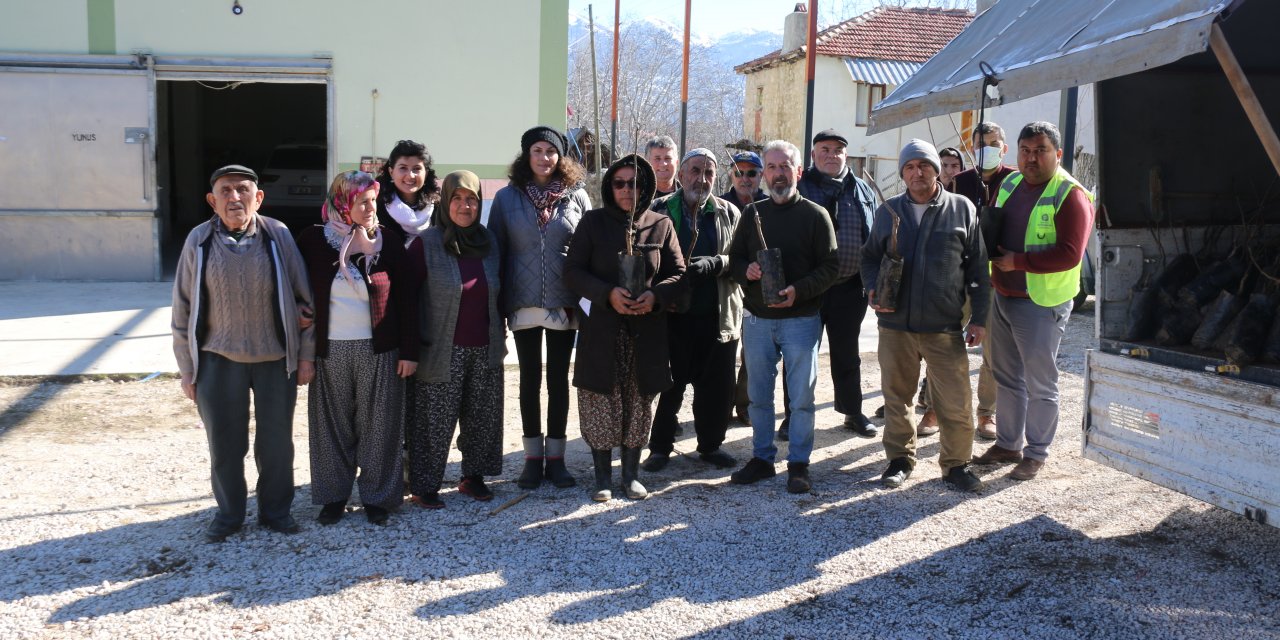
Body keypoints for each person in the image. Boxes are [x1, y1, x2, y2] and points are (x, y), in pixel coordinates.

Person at [172, 164, 315, 542]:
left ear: (259, 197)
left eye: (243, 189)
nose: (235, 197)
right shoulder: (199, 241)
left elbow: (306, 301)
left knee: (276, 444)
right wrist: (187, 369)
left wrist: (305, 356)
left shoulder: (277, 235)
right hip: (218, 360)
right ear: (212, 200)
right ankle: (229, 515)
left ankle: (276, 512)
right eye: (226, 191)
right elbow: (182, 309)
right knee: (224, 444)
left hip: (274, 359)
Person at [862, 140, 989, 493]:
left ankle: (956, 465)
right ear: (902, 173)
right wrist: (872, 288)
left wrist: (979, 318)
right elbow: (869, 258)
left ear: (937, 169)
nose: (918, 173)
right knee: (897, 398)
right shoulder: (887, 212)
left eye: (925, 165)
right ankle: (900, 460)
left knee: (956, 401)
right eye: (910, 167)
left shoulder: (962, 209)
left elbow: (979, 268)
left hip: (944, 326)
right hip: (895, 326)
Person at [296, 171, 419, 526]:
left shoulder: (387, 242)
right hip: (329, 351)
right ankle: (334, 497)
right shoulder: (313, 241)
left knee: (381, 426)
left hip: (380, 351)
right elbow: (296, 293)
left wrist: (409, 351)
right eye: (361, 201)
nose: (370, 208)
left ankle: (378, 498)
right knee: (330, 427)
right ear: (342, 202)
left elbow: (408, 301)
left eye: (372, 200)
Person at [973, 121, 1093, 481]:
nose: (1031, 158)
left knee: (1041, 383)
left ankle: (1036, 452)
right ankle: (1008, 444)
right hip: (1004, 294)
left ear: (1057, 154)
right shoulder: (1009, 182)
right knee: (1007, 377)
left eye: (1040, 151)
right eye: (1025, 151)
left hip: (1041, 303)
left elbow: (1071, 255)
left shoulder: (1071, 195)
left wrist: (1018, 262)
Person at [564, 154, 684, 501]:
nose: (627, 190)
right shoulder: (592, 223)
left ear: (645, 187)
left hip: (645, 332)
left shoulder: (660, 225)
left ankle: (630, 473)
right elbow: (572, 272)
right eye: (620, 183)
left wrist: (656, 296)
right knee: (600, 399)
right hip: (602, 330)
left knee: (638, 400)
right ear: (609, 186)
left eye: (635, 183)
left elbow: (679, 273)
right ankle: (602, 476)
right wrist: (607, 294)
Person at [728, 140, 839, 494]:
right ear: (765, 173)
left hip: (801, 320)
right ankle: (762, 459)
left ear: (798, 171)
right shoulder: (752, 214)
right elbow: (734, 262)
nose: (778, 173)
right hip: (758, 320)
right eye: (772, 167)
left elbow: (831, 267)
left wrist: (799, 290)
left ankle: (799, 463)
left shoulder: (815, 215)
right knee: (759, 395)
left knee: (802, 398)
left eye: (785, 166)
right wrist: (749, 271)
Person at [488, 126, 592, 491]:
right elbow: (495, 252)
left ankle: (558, 459)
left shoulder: (577, 197)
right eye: (537, 150)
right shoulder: (506, 199)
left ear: (561, 157)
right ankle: (532, 459)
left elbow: (588, 250)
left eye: (551, 151)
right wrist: (497, 305)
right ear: (525, 155)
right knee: (530, 381)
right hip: (522, 300)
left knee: (559, 381)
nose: (545, 157)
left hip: (564, 302)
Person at [407, 171, 505, 508]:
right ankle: (425, 485)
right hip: (441, 349)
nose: (465, 206)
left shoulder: (489, 244)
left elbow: (498, 292)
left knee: (481, 417)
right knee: (433, 421)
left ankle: (472, 477)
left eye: (472, 199)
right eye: (457, 199)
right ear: (445, 202)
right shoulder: (427, 243)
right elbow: (407, 298)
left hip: (485, 346)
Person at [643, 148, 742, 472]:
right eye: (696, 170)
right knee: (668, 385)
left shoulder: (728, 213)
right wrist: (659, 288)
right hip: (670, 317)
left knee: (715, 388)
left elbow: (744, 259)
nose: (702, 178)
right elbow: (642, 258)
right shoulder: (658, 210)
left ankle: (710, 446)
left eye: (709, 172)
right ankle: (659, 447)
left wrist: (718, 262)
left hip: (717, 315)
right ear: (681, 175)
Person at [793, 128, 879, 439]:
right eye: (825, 149)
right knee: (801, 355)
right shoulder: (800, 188)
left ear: (846, 154)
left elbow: (874, 236)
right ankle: (794, 416)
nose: (832, 155)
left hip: (849, 287)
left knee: (847, 353)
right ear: (814, 155)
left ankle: (852, 411)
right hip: (809, 290)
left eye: (838, 149)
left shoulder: (862, 190)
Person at [946, 122, 1016, 439]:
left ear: (1004, 147)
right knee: (944, 343)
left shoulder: (1015, 181)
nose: (985, 148)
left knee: (993, 350)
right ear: (971, 149)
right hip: (960, 276)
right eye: (980, 143)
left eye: (993, 142)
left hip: (998, 277)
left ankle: (987, 413)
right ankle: (935, 405)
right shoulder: (960, 182)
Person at [722, 151, 766, 427]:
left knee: (753, 353)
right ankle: (722, 404)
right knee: (726, 350)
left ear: (761, 176)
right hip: (726, 286)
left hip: (756, 287)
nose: (745, 178)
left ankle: (745, 403)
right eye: (739, 172)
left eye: (752, 173)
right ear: (731, 175)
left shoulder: (769, 204)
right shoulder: (720, 204)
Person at [375, 139, 439, 249]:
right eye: (403, 168)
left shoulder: (439, 206)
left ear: (426, 173)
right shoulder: (376, 206)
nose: (410, 175)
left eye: (416, 169)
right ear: (391, 172)